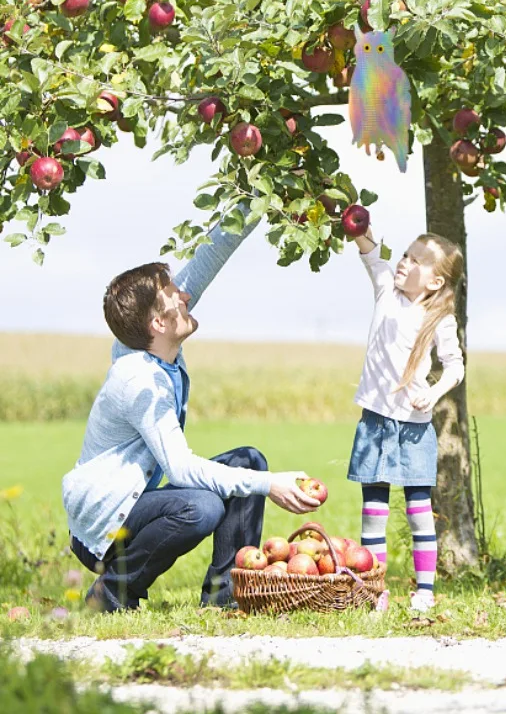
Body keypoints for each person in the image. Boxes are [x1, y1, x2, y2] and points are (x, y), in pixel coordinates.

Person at [62, 207, 319, 613]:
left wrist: (259, 198)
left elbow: (208, 258)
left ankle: (227, 597)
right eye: (173, 296)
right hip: (103, 527)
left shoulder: (147, 340)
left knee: (248, 461)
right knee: (201, 508)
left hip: (135, 507)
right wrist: (269, 484)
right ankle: (110, 593)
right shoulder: (140, 382)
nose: (184, 295)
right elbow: (181, 469)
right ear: (158, 324)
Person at [348, 223, 465, 612]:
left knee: (418, 512)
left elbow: (455, 368)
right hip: (376, 422)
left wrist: (431, 393)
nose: (403, 263)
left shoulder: (440, 320)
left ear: (434, 281)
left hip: (415, 428)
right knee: (373, 512)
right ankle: (375, 590)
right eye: (405, 254)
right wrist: (356, 223)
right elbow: (370, 251)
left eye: (416, 261)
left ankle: (425, 591)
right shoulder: (386, 290)